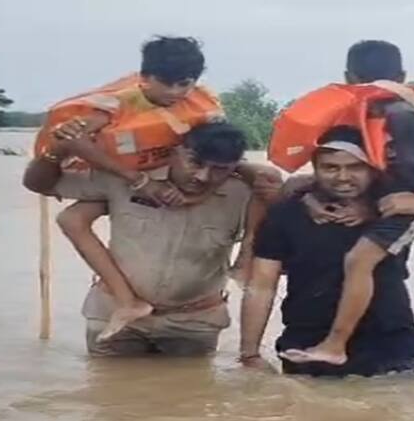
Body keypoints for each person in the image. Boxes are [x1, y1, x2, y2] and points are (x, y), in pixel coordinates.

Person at [28, 36, 281, 340]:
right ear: (144, 78)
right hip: (131, 181)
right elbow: (50, 178)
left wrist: (233, 176)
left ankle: (242, 260)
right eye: (166, 83)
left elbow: (226, 154)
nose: (175, 92)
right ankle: (125, 301)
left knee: (263, 180)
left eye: (184, 84)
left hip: (196, 320)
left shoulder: (207, 117)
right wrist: (138, 180)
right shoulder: (114, 107)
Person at [239, 126, 414, 376]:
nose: (343, 177)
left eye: (355, 167)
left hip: (391, 344)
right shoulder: (287, 215)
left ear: (373, 167)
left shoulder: (396, 213)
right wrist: (250, 355)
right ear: (315, 168)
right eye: (330, 167)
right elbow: (261, 286)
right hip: (307, 346)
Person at [280, 40, 414, 365]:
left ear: (348, 77)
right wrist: (312, 189)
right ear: (400, 74)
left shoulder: (403, 114)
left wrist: (372, 206)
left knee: (359, 261)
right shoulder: (365, 114)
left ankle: (335, 344)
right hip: (391, 195)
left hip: (412, 201)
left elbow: (413, 178)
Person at [24, 121, 253, 356]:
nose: (203, 176)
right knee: (107, 388)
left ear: (235, 167)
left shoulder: (244, 194)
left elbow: (277, 196)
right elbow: (38, 184)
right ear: (176, 151)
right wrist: (56, 151)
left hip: (194, 321)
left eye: (220, 169)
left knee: (194, 389)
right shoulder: (128, 178)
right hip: (114, 313)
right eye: (194, 162)